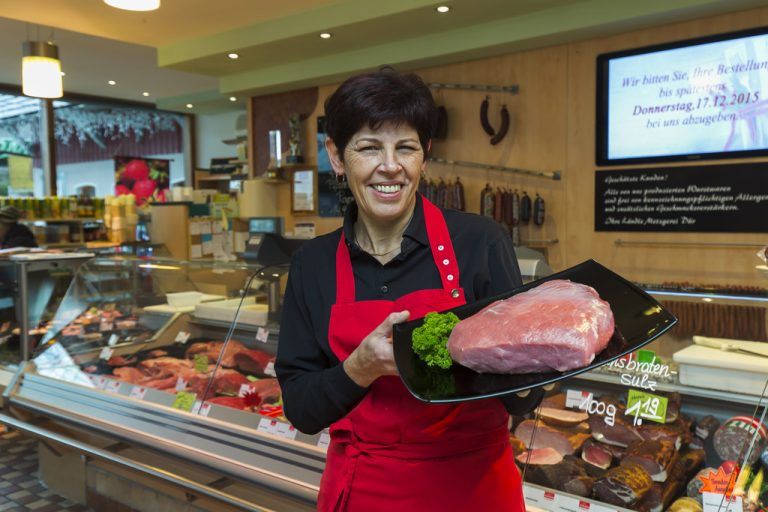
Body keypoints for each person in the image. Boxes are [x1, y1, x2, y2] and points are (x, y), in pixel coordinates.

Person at [276, 70, 544, 512]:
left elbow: (523, 400)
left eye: (406, 147)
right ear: (337, 157)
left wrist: (540, 359)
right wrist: (359, 367)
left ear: (425, 155)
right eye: (368, 147)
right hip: (365, 490)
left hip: (474, 488)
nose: (390, 166)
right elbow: (302, 409)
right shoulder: (313, 265)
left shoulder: (481, 242)